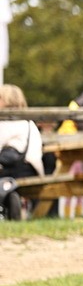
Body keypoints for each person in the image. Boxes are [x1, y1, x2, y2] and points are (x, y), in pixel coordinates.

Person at [0, 84, 44, 221]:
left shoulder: (5, 123)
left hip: (11, 170)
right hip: (31, 170)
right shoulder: (29, 123)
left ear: (6, 101)